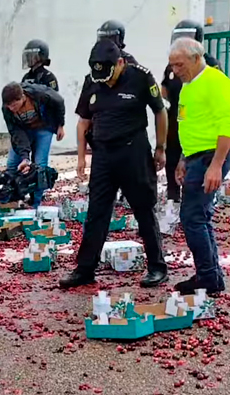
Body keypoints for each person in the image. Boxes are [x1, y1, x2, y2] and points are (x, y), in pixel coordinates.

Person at [60, 39, 169, 289]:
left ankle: (156, 266)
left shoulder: (141, 76)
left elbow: (160, 112)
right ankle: (85, 268)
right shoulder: (93, 80)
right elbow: (83, 120)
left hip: (134, 152)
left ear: (120, 63)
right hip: (103, 155)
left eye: (109, 75)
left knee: (143, 208)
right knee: (97, 212)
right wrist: (81, 158)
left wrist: (161, 148)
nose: (106, 82)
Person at [168, 38, 230, 295]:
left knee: (192, 217)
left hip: (211, 157)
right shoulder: (187, 86)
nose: (175, 71)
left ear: (197, 58)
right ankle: (212, 275)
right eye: (172, 66)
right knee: (201, 217)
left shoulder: (216, 82)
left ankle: (207, 276)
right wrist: (183, 159)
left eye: (179, 64)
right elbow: (188, 125)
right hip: (196, 157)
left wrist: (216, 165)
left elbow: (226, 125)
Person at [162, 20, 220, 202]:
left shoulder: (209, 65)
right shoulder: (172, 65)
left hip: (199, 124)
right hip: (176, 120)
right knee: (172, 159)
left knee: (194, 164)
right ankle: (173, 198)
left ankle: (198, 200)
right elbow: (164, 90)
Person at [76, 20, 138, 155]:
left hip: (126, 135)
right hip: (102, 135)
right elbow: (83, 118)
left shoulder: (131, 64)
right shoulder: (94, 67)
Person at [0, 82, 65, 208]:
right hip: (23, 130)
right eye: (9, 106)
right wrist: (25, 157)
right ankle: (13, 200)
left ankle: (35, 203)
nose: (12, 109)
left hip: (44, 127)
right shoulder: (7, 110)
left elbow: (59, 101)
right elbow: (16, 133)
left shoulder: (38, 93)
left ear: (22, 96)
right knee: (12, 164)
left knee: (40, 165)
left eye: (14, 105)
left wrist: (60, 125)